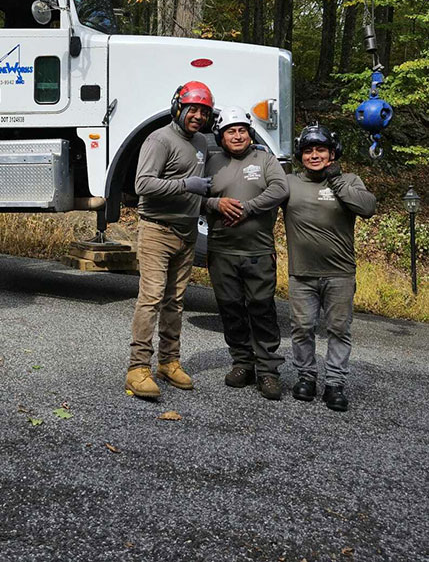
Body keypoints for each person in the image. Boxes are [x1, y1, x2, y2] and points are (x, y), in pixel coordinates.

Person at [125, 81, 214, 399]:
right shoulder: (159, 138)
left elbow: (200, 184)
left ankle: (169, 361)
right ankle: (137, 368)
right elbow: (143, 184)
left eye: (203, 111)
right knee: (150, 299)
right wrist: (186, 185)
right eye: (193, 109)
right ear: (178, 107)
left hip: (187, 232)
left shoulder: (202, 141)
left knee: (175, 302)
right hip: (157, 230)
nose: (198, 116)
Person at [283, 123, 376, 412]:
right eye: (308, 150)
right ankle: (306, 377)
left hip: (340, 274)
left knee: (338, 329)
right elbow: (259, 201)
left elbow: (367, 207)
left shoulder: (349, 180)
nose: (314, 155)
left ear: (332, 153)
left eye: (320, 149)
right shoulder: (290, 182)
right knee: (302, 328)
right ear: (301, 155)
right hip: (302, 273)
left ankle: (335, 384)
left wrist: (335, 181)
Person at [203, 106, 289, 400]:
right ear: (221, 136)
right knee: (231, 310)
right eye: (230, 131)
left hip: (258, 251)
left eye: (241, 130)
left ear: (249, 133)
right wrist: (217, 205)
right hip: (222, 251)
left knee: (262, 309)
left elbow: (280, 189)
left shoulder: (264, 159)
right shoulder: (211, 162)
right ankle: (242, 363)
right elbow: (196, 197)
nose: (237, 136)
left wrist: (247, 208)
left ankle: (268, 371)